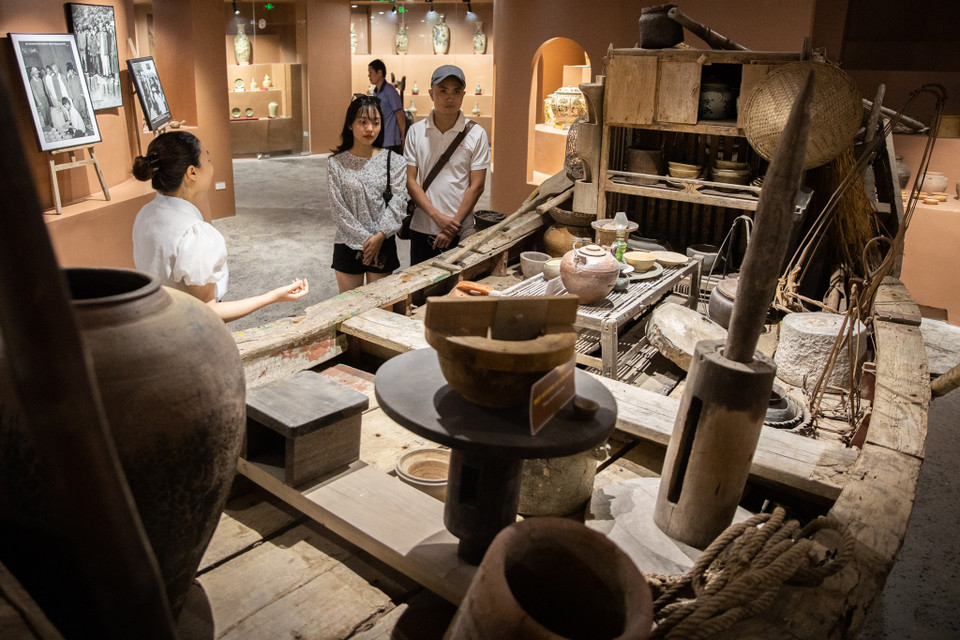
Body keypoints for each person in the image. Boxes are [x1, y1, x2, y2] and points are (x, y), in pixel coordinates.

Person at [131, 131, 308, 322]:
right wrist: (273, 297)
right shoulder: (194, 234)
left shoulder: (145, 214)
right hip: (188, 337)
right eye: (207, 159)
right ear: (192, 172)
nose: (211, 166)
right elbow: (206, 312)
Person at [404, 64, 489, 265]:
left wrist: (453, 225)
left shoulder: (477, 134)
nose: (449, 97)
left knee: (457, 291)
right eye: (442, 90)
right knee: (420, 290)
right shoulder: (416, 132)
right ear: (431, 94)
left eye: (456, 91)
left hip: (460, 230)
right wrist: (437, 217)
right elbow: (410, 181)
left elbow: (477, 186)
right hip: (423, 227)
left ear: (463, 95)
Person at [328, 94, 408, 293]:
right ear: (350, 124)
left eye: (376, 122)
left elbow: (399, 203)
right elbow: (339, 209)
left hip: (383, 242)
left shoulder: (394, 161)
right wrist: (367, 242)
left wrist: (380, 236)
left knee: (380, 310)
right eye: (362, 122)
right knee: (348, 311)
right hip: (347, 242)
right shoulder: (336, 163)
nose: (370, 129)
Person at [367, 59, 405, 154]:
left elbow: (400, 114)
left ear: (379, 72)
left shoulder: (390, 90)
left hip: (391, 142)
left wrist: (403, 137)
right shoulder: (376, 92)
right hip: (380, 140)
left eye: (371, 72)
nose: (369, 75)